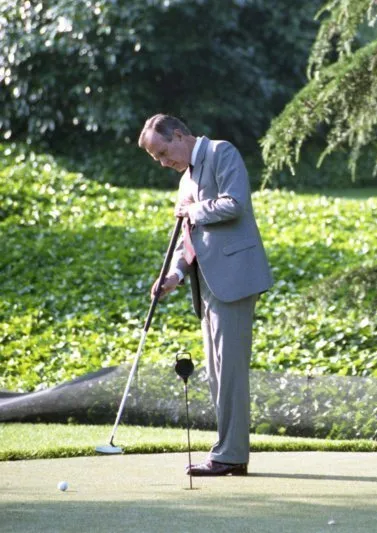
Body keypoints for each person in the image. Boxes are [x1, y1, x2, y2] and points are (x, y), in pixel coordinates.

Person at [139, 114, 273, 476]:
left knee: (229, 372)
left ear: (180, 135)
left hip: (235, 279)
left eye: (165, 153)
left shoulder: (221, 153)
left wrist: (193, 209)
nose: (165, 163)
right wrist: (175, 275)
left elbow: (235, 203)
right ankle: (229, 452)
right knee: (217, 373)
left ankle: (230, 455)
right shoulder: (185, 180)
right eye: (158, 159)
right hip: (207, 286)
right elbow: (189, 243)